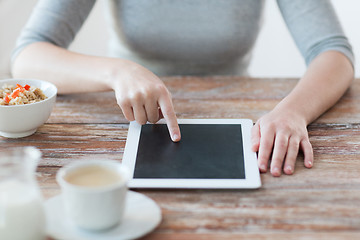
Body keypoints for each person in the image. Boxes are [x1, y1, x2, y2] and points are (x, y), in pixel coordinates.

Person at [11, 0, 354, 177]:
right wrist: (117, 72)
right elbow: (28, 56)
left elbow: (334, 52)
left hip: (237, 120)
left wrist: (293, 112)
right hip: (123, 127)